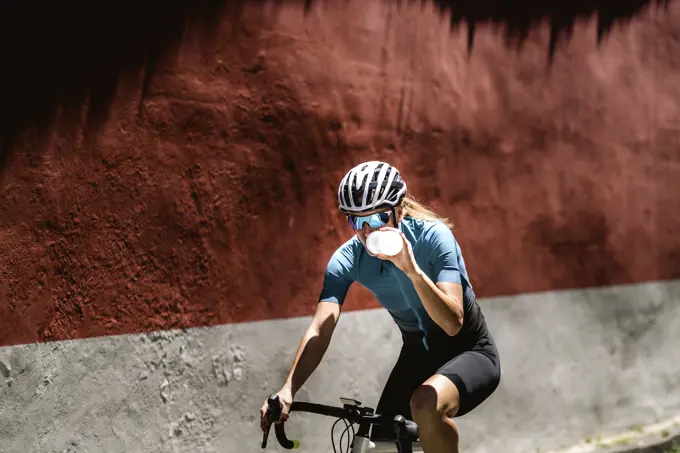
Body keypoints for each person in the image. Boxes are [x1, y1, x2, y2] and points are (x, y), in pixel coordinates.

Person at [260, 161, 501, 453]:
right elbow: (320, 330)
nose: (365, 231)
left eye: (376, 218)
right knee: (377, 443)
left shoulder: (434, 238)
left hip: (468, 350)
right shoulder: (346, 260)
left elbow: (453, 323)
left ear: (399, 210)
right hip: (416, 357)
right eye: (355, 220)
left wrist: (413, 271)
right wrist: (288, 388)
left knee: (425, 403)